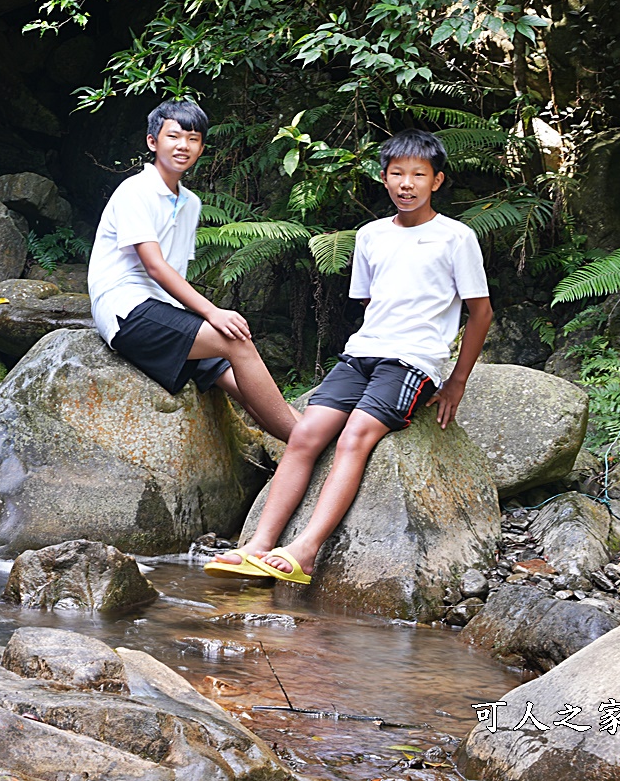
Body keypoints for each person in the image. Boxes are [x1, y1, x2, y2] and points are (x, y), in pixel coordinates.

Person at [206, 128, 493, 583]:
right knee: (304, 437)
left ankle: (305, 550)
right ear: (383, 178)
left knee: (354, 436)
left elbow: (481, 313)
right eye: (397, 173)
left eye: (418, 174)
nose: (407, 184)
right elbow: (367, 302)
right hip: (363, 353)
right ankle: (257, 546)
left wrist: (455, 380)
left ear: (436, 181)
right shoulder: (370, 235)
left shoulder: (455, 238)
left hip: (413, 362)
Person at [88, 99, 300, 452]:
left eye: (193, 138)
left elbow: (176, 271)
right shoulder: (135, 191)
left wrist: (198, 321)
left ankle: (309, 440)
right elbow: (156, 266)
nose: (183, 146)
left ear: (201, 147)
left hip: (162, 311)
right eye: (174, 136)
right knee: (236, 341)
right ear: (153, 142)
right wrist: (211, 313)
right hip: (126, 310)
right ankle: (307, 441)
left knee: (232, 376)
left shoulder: (190, 202)